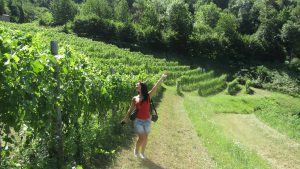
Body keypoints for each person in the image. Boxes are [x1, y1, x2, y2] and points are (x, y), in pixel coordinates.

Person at [121, 74, 167, 159]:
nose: (136, 86)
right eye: (136, 85)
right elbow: (130, 110)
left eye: (137, 85)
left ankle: (142, 153)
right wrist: (125, 119)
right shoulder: (134, 98)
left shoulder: (148, 96)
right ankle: (136, 150)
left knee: (145, 138)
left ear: (142, 87)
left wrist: (162, 78)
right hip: (138, 121)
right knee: (141, 137)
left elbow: (155, 87)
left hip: (147, 120)